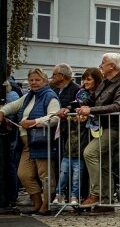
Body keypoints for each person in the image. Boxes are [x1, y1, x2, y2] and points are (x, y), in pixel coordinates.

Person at [78, 53, 120, 214]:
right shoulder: (105, 83)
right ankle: (107, 202)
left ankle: (96, 194)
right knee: (105, 163)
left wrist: (91, 110)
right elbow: (91, 100)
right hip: (103, 127)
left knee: (90, 153)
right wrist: (73, 107)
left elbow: (118, 106)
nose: (100, 65)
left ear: (112, 66)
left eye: (103, 63)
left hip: (116, 127)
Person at [0, 68, 60, 216]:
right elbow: (12, 106)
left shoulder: (50, 96)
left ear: (45, 81)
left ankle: (46, 206)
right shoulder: (28, 96)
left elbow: (55, 118)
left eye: (37, 80)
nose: (33, 82)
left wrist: (34, 122)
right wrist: (2, 112)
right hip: (27, 144)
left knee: (45, 175)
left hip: (42, 142)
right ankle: (37, 203)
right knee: (23, 174)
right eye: (31, 80)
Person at [53, 68, 102, 207]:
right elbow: (75, 105)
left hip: (93, 131)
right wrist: (69, 109)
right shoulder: (81, 92)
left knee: (83, 165)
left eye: (89, 79)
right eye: (84, 79)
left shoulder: (100, 92)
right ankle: (71, 195)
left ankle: (84, 195)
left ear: (97, 80)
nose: (85, 82)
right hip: (78, 132)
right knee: (71, 166)